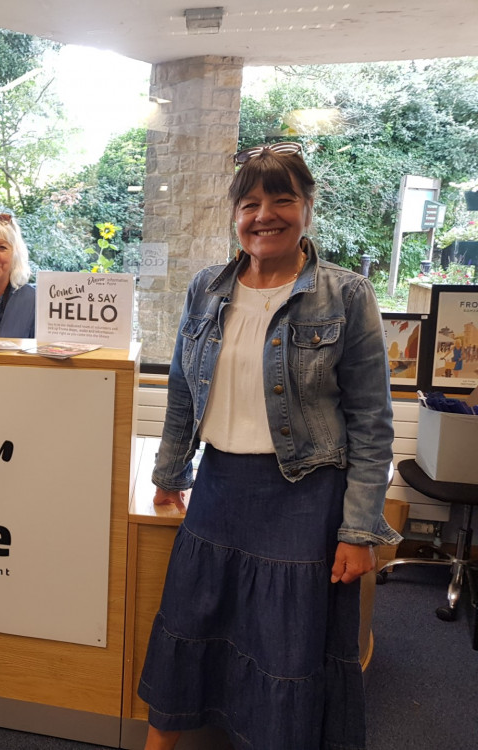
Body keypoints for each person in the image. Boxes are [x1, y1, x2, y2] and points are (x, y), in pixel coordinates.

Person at [137, 142, 399, 750]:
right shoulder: (206, 288)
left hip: (304, 500)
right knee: (190, 621)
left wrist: (360, 530)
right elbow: (182, 391)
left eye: (283, 199)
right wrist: (171, 470)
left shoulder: (347, 295)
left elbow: (371, 421)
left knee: (282, 647)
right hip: (219, 489)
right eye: (250, 202)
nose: (265, 215)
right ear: (235, 214)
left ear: (307, 208)